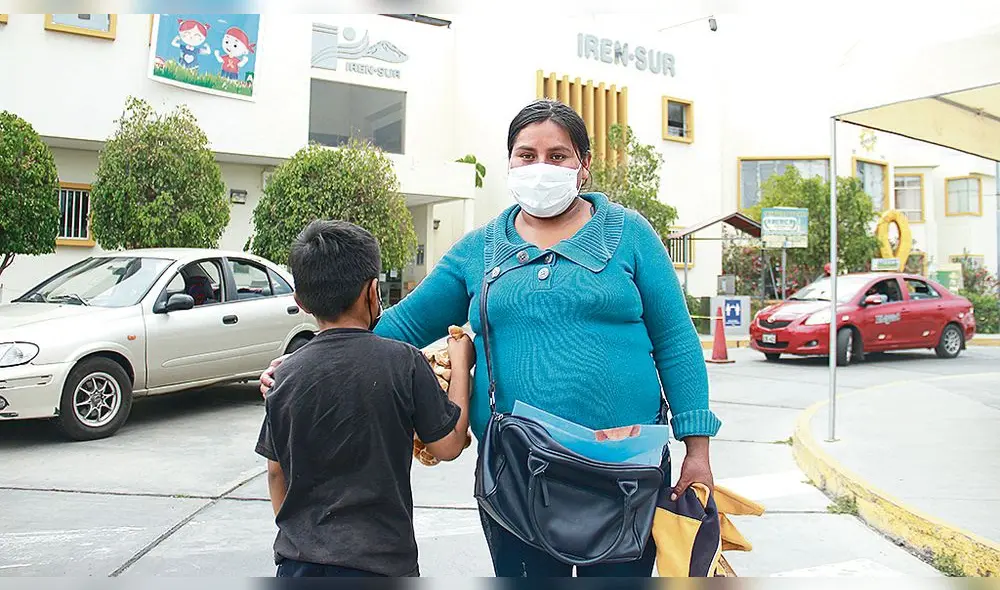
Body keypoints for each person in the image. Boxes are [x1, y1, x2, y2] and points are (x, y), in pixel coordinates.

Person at [260, 99, 721, 577]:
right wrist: (302, 363)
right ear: (510, 163)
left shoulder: (630, 235)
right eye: (527, 155)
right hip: (517, 474)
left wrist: (698, 449)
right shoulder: (479, 249)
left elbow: (675, 340)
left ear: (584, 165)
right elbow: (395, 326)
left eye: (557, 156)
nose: (541, 167)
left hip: (624, 471)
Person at [255, 220, 475, 578]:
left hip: (299, 565)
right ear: (373, 292)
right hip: (382, 564)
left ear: (300, 302)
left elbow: (276, 472)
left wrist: (302, 539)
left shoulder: (284, 376)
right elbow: (448, 446)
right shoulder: (404, 362)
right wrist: (461, 364)